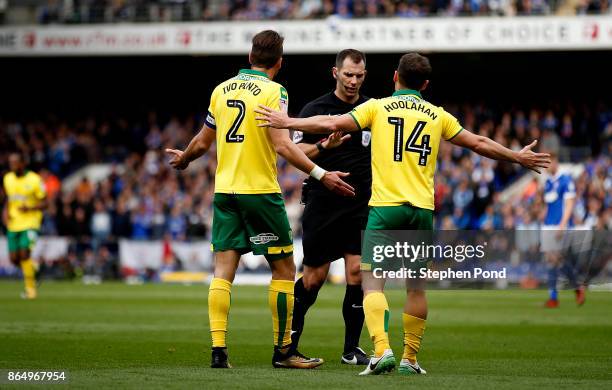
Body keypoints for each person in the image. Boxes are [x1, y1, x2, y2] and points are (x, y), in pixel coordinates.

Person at [256, 52, 550, 375]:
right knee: (416, 288)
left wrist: (288, 121)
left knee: (370, 284)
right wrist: (516, 157)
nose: (354, 81)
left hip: (383, 208)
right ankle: (410, 358)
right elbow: (478, 142)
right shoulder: (437, 114)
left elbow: (330, 122)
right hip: (421, 210)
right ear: (425, 84)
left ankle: (381, 349)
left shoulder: (377, 107)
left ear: (394, 76)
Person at [165, 30, 354, 370]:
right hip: (260, 194)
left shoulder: (221, 89)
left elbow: (203, 141)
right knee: (284, 269)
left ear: (250, 56)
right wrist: (322, 174)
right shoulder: (274, 90)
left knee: (223, 271)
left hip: (225, 192)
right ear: (279, 62)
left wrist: (184, 159)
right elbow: (282, 145)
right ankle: (284, 352)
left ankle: (218, 351)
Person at [291, 49, 370, 365]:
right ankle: (288, 344)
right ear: (335, 72)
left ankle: (351, 350)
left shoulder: (370, 110)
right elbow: (295, 153)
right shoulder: (315, 111)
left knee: (357, 273)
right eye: (348, 74)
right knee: (313, 280)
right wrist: (325, 145)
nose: (353, 81)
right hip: (323, 204)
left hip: (360, 204)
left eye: (359, 75)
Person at [541, 152, 584, 308]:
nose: (545, 167)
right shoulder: (548, 183)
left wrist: (562, 224)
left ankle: (567, 291)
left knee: (556, 258)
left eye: (547, 163)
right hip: (548, 225)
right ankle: (556, 295)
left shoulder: (565, 180)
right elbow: (549, 205)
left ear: (555, 162)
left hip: (560, 225)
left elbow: (570, 203)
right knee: (551, 260)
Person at [2, 152, 47, 299]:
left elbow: (46, 202)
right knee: (14, 259)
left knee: (24, 254)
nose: (12, 165)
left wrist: (30, 208)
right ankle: (34, 269)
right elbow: (9, 199)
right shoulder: (7, 178)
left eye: (15, 163)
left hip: (31, 222)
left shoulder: (34, 179)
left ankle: (30, 291)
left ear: (23, 163)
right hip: (14, 223)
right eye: (10, 163)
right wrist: (5, 213)